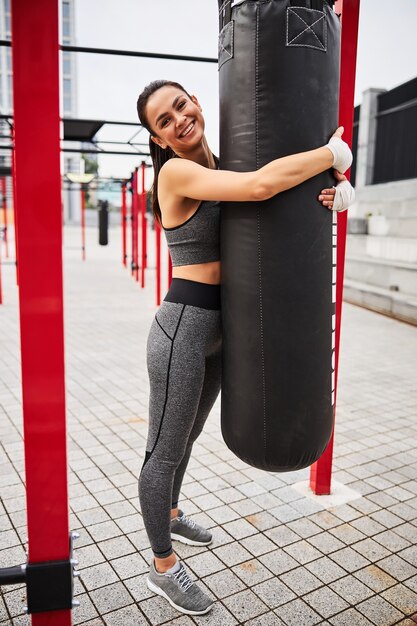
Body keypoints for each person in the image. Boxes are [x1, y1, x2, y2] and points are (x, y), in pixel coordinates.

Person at [136, 79, 354, 616]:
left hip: (220, 329)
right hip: (182, 327)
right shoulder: (176, 172)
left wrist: (337, 189)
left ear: (196, 102)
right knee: (163, 449)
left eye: (180, 105)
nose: (179, 119)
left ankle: (170, 513)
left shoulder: (220, 162)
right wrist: (330, 152)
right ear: (158, 139)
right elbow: (259, 187)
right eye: (164, 120)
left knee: (186, 438)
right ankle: (162, 568)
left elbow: (277, 191)